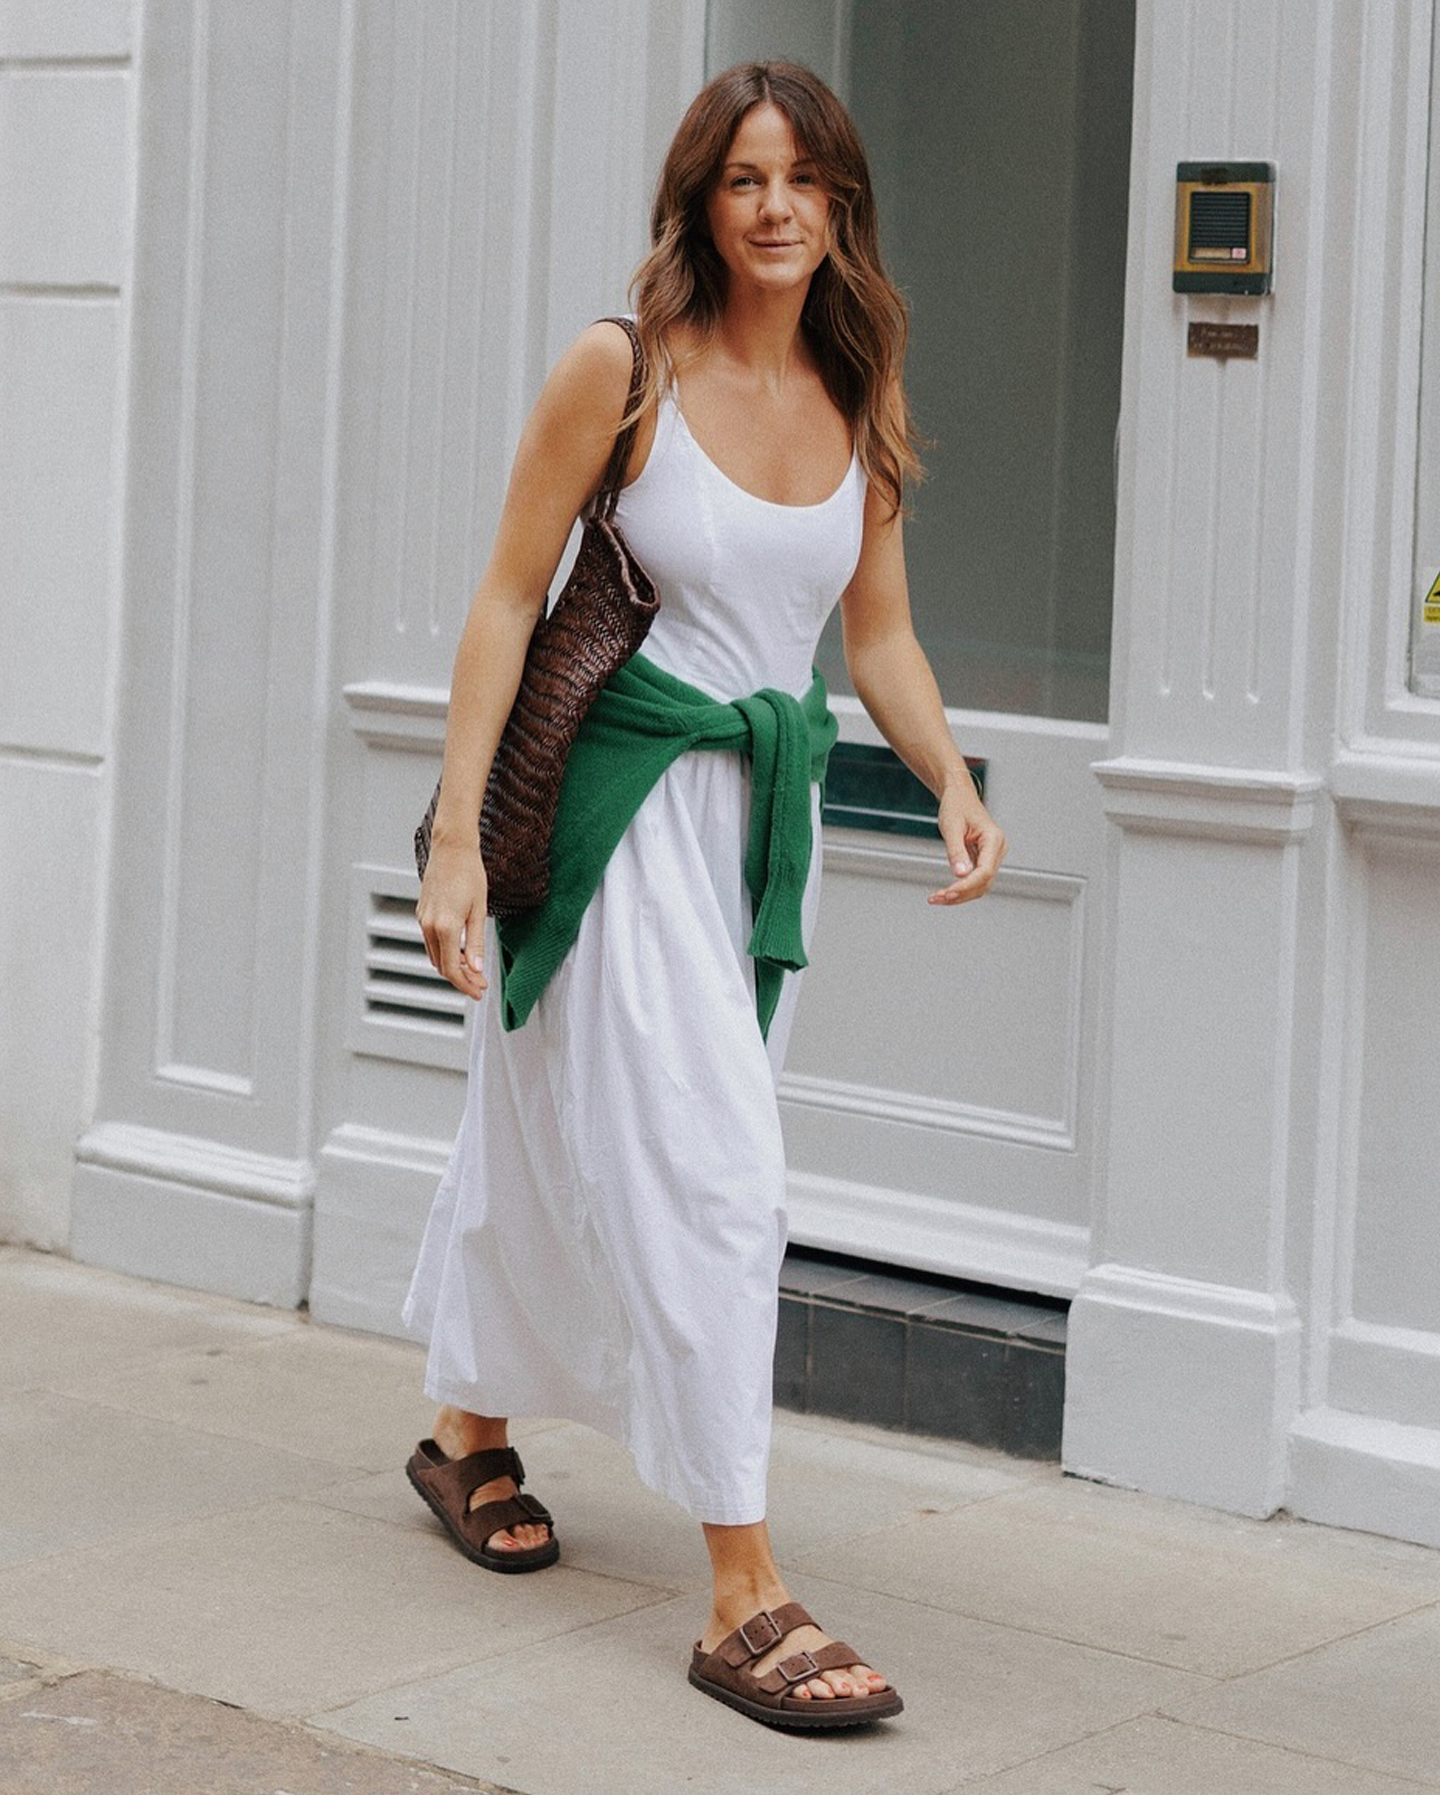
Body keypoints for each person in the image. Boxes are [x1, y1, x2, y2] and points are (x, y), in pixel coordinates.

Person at [403, 60, 1005, 1731]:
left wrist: (951, 774)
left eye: (805, 177)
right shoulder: (622, 372)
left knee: (548, 1132)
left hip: (758, 829)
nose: (777, 206)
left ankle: (465, 1434)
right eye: (745, 178)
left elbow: (871, 633)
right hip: (616, 818)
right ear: (700, 199)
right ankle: (745, 1583)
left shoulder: (857, 386)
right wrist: (459, 837)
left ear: (844, 205)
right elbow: (509, 598)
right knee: (713, 1177)